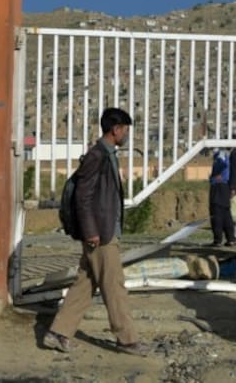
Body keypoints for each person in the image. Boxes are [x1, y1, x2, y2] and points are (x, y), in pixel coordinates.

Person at [43, 108, 150, 356]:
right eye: (125, 129)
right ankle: (127, 340)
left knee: (85, 283)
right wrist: (91, 230)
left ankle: (57, 333)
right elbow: (83, 196)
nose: (126, 134)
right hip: (100, 234)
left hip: (103, 230)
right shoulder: (97, 156)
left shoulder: (107, 154)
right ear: (116, 129)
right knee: (114, 285)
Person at [208, 149, 236, 246]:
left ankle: (217, 240)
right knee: (226, 214)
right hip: (224, 187)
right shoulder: (225, 153)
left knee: (217, 215)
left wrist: (218, 175)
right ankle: (231, 238)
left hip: (218, 187)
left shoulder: (221, 153)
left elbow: (222, 163)